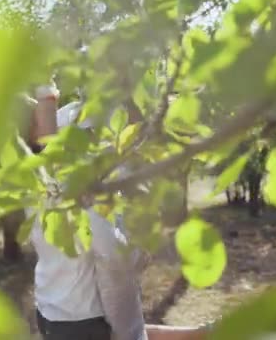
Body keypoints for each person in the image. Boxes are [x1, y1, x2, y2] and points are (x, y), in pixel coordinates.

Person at [23, 83, 210, 340]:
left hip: (52, 309)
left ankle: (201, 334)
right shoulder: (69, 185)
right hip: (81, 320)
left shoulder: (33, 179)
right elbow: (110, 253)